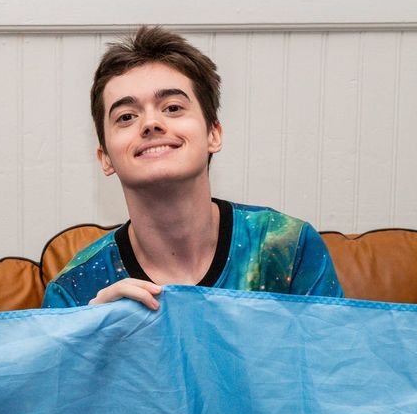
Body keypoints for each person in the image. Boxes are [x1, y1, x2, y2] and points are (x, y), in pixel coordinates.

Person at [43, 26, 341, 309]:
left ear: (214, 134)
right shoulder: (73, 291)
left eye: (173, 108)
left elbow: (333, 357)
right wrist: (89, 335)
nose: (151, 124)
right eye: (126, 117)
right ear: (105, 157)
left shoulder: (288, 246)